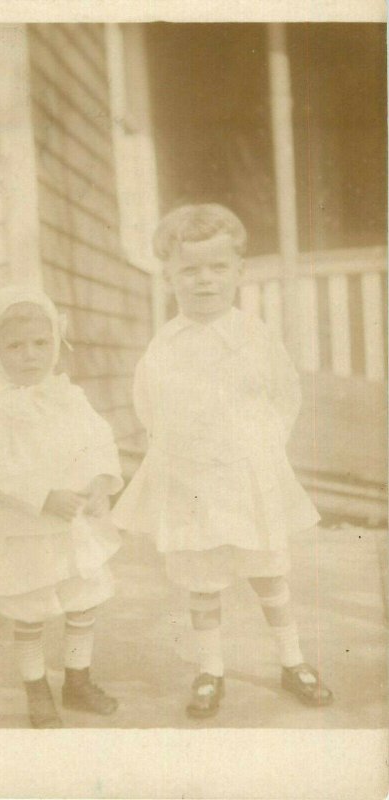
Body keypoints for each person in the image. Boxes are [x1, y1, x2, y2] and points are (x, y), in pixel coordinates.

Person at [112, 204, 333, 719]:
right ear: (170, 278)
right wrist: (181, 448)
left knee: (269, 572)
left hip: (248, 475)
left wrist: (264, 446)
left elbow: (285, 394)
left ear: (238, 272)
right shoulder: (164, 345)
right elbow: (148, 405)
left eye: (217, 268)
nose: (204, 281)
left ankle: (292, 660)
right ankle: (210, 669)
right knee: (201, 577)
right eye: (190, 270)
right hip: (192, 480)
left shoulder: (255, 336)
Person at [0, 284, 123, 728]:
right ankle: (36, 688)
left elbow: (97, 440)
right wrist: (43, 496)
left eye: (40, 343)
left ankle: (77, 679)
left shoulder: (69, 397)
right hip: (28, 526)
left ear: (56, 343)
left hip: (74, 525)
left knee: (83, 600)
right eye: (15, 345)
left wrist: (97, 482)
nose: (29, 355)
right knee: (31, 607)